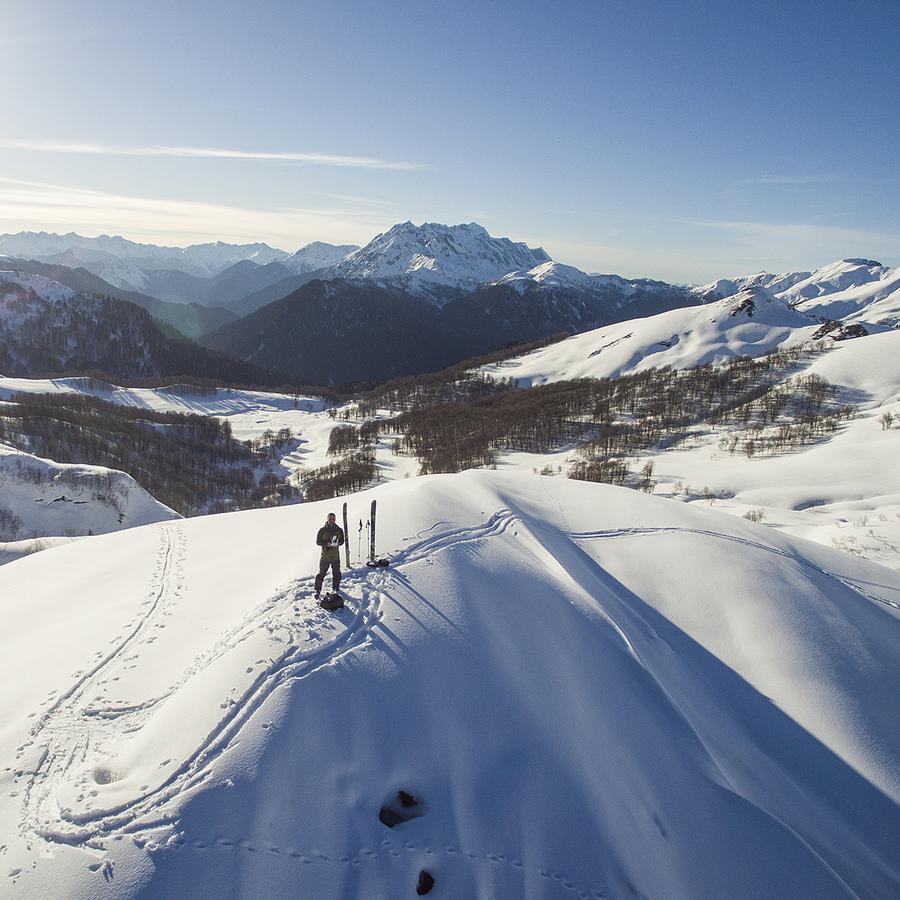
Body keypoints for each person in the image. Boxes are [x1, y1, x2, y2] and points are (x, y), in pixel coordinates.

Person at [314, 512, 345, 598]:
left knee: (337, 573)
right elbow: (318, 542)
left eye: (333, 519)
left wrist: (338, 543)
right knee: (321, 574)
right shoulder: (322, 530)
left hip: (335, 556)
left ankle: (336, 588)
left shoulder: (339, 530)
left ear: (335, 519)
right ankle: (317, 590)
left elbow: (342, 540)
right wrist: (326, 544)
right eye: (330, 519)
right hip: (325, 557)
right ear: (327, 519)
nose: (332, 520)